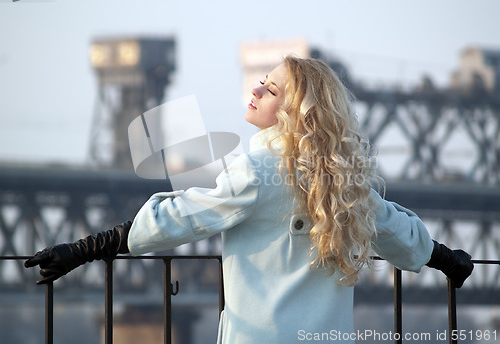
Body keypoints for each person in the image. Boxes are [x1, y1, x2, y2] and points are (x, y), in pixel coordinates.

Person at [25, 56, 474, 343]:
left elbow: (180, 218)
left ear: (295, 113)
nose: (256, 90)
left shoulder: (255, 170)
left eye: (271, 90)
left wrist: (88, 248)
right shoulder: (343, 182)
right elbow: (399, 233)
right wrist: (446, 259)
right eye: (261, 81)